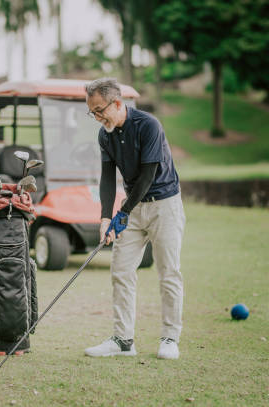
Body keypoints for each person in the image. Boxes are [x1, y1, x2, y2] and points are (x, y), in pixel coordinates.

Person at [83, 78, 186, 360]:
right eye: (91, 111)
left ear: (117, 103)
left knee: (168, 273)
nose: (96, 116)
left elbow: (147, 175)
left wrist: (122, 213)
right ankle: (123, 340)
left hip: (164, 204)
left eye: (99, 109)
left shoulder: (148, 125)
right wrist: (105, 217)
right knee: (121, 270)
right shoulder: (105, 135)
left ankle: (169, 338)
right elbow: (107, 177)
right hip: (133, 207)